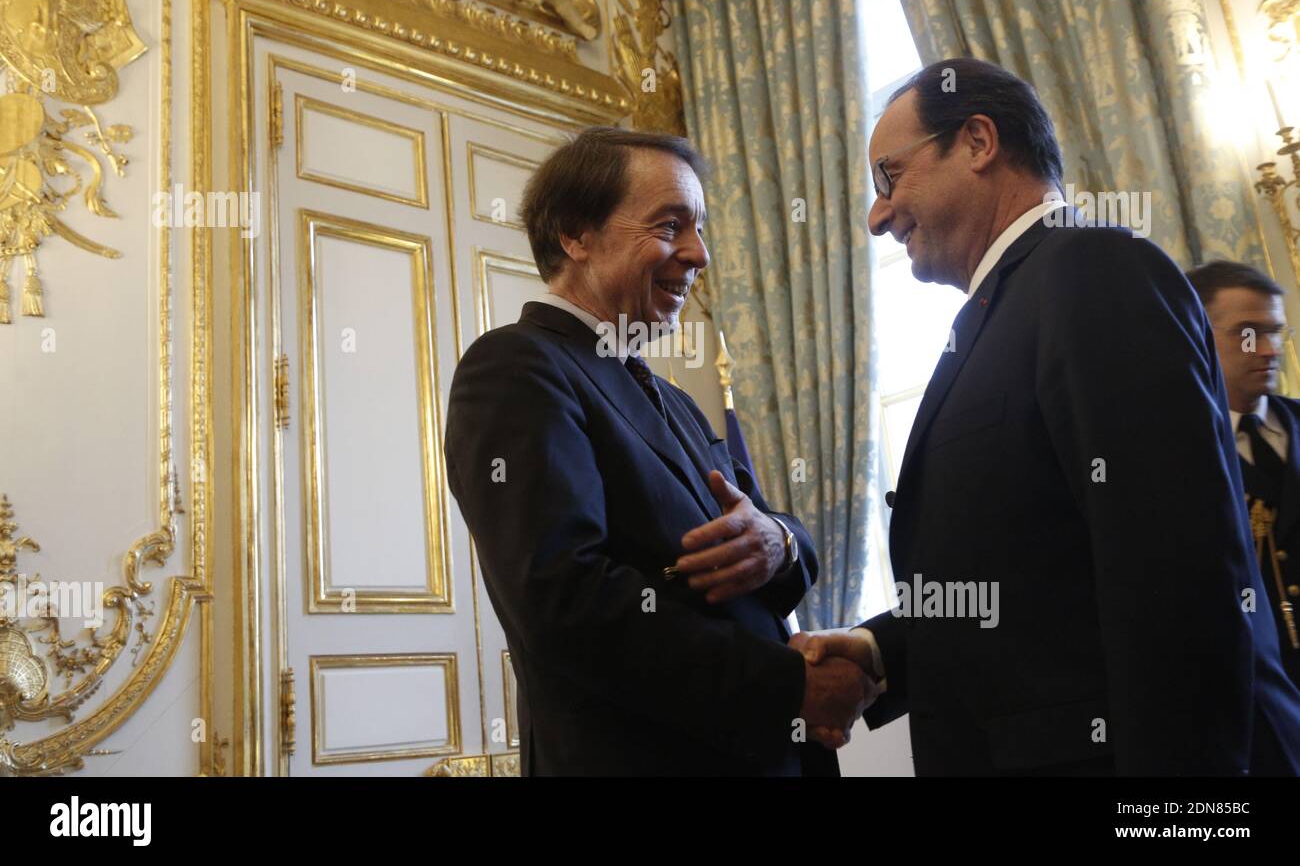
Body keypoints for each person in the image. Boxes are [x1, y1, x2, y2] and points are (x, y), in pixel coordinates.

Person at [794, 58, 1300, 775]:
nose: (877, 216)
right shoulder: (1006, 309)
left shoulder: (1092, 273)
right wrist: (882, 652)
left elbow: (1176, 587)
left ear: (976, 141)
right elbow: (1041, 585)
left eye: (890, 177)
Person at [445, 127, 866, 775]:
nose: (698, 255)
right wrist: (789, 688)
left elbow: (787, 542)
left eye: (700, 229)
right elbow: (566, 602)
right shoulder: (514, 367)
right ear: (576, 234)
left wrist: (774, 541)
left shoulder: (675, 401)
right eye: (671, 226)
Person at [1187, 260, 1300, 692]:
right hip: (1255, 691)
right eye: (1249, 333)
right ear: (1195, 333)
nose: (1270, 349)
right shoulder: (1177, 453)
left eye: (1276, 332)